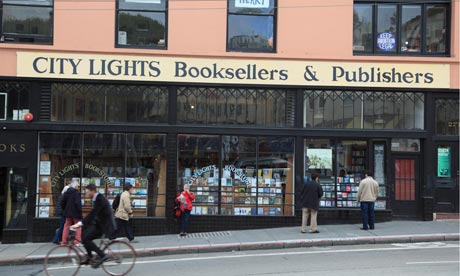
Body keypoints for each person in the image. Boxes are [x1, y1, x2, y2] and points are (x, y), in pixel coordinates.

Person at [72, 184, 115, 267]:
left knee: (86, 239)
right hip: (99, 223)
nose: (86, 194)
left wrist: (80, 223)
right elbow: (94, 214)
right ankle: (89, 257)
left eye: (87, 192)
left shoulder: (100, 199)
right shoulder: (96, 198)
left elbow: (93, 213)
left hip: (104, 225)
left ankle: (103, 255)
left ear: (92, 191)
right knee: (84, 237)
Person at [61, 180, 82, 246]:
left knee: (66, 226)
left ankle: (63, 242)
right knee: (78, 225)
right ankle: (77, 241)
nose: (78, 187)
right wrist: (80, 211)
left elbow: (62, 203)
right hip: (75, 212)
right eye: (78, 186)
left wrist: (65, 209)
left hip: (67, 212)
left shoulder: (66, 193)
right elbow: (78, 203)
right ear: (75, 186)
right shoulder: (76, 193)